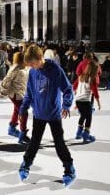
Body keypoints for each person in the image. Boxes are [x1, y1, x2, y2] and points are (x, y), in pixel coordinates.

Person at [18, 45, 76, 187]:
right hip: (38, 113)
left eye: (32, 63)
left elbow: (68, 89)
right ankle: (25, 165)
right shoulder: (32, 72)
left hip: (53, 114)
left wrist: (66, 105)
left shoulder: (55, 70)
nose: (31, 66)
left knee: (59, 143)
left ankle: (69, 169)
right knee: (34, 143)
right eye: (29, 64)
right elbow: (29, 93)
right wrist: (22, 109)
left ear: (40, 58)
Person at [0, 52, 30, 144]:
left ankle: (12, 128)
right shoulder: (15, 69)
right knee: (23, 113)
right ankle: (22, 133)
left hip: (21, 93)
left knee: (17, 111)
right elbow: (6, 80)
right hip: (16, 95)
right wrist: (3, 91)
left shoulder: (24, 68)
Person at [73, 61, 101, 143]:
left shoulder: (80, 76)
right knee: (89, 117)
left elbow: (74, 86)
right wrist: (99, 103)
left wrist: (75, 94)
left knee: (83, 115)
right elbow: (95, 92)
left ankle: (78, 133)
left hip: (78, 100)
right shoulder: (92, 79)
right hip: (86, 101)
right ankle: (86, 134)